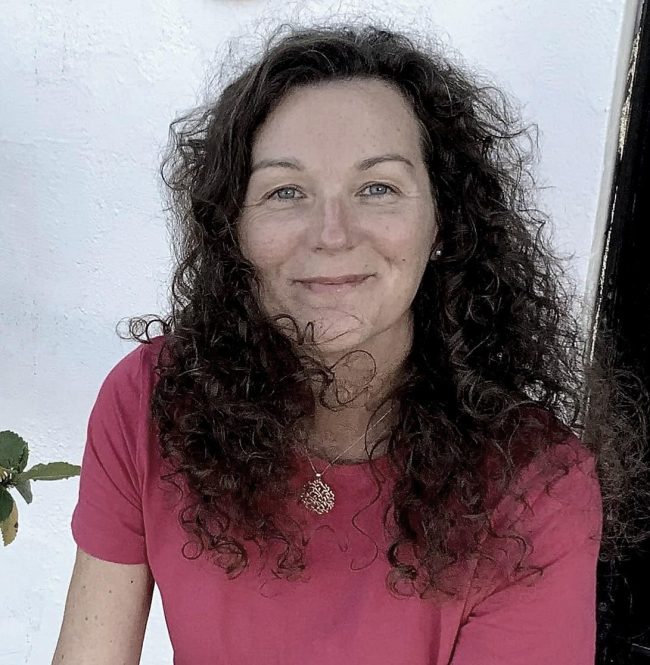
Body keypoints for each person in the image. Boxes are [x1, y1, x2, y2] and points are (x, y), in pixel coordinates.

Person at [52, 22, 647, 665]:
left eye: (377, 188)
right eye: (285, 191)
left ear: (444, 221)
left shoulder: (535, 484)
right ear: (233, 229)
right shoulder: (152, 399)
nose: (332, 234)